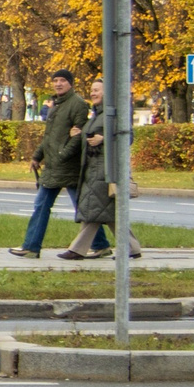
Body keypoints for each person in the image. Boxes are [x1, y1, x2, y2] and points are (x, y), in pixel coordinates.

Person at [15, 70, 104, 258]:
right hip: (55, 165)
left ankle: (31, 247)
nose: (58, 84)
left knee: (80, 207)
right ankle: (100, 244)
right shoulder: (56, 104)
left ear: (70, 83)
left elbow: (79, 136)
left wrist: (62, 154)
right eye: (55, 81)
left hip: (67, 166)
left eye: (62, 80)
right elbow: (50, 137)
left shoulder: (77, 104)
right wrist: (37, 156)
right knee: (69, 206)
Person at [63, 79, 143, 260]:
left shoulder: (113, 114)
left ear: (108, 93)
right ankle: (132, 248)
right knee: (106, 212)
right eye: (91, 90)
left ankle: (77, 250)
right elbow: (93, 137)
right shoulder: (98, 114)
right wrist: (80, 135)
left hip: (107, 170)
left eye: (97, 90)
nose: (93, 93)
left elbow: (126, 137)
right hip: (94, 170)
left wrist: (103, 139)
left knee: (97, 211)